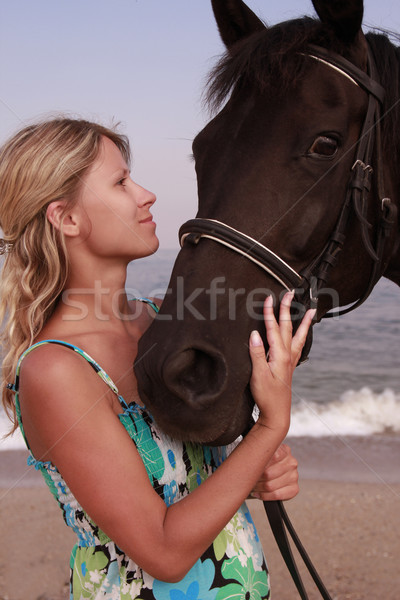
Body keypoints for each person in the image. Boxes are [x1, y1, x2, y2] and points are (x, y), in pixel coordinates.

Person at [0, 118, 315, 599]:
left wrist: (251, 471)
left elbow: (190, 482)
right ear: (66, 218)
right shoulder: (56, 370)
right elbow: (164, 552)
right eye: (121, 182)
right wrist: (272, 424)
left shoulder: (162, 325)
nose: (146, 195)